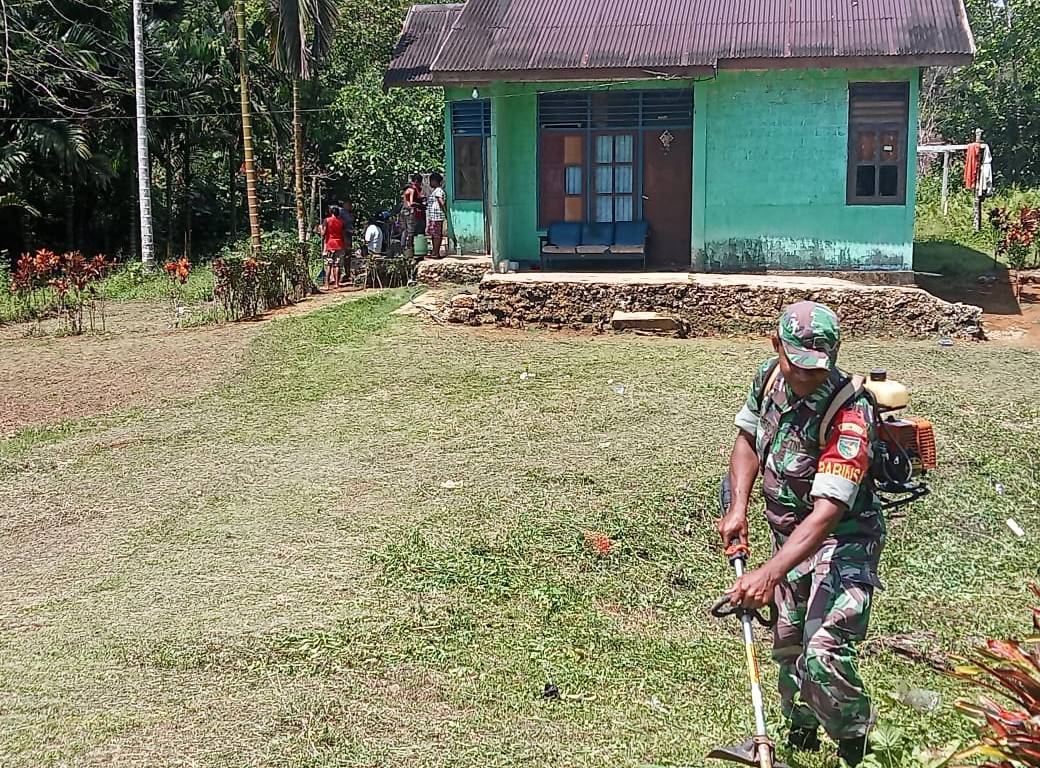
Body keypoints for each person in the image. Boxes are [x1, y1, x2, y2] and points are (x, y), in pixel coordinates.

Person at [719, 301, 883, 767]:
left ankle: (859, 745)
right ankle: (802, 731)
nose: (807, 376)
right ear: (777, 346)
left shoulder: (849, 412)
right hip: (787, 536)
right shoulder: (769, 376)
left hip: (842, 541)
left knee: (822, 650)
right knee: (789, 641)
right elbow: (747, 439)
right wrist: (738, 507)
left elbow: (827, 512)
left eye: (818, 368)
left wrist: (768, 573)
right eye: (799, 365)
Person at [319, 204, 345, 289]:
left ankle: (327, 284)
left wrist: (320, 228)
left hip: (329, 244)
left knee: (329, 264)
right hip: (339, 244)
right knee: (337, 264)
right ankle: (337, 283)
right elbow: (342, 233)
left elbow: (323, 233)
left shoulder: (327, 220)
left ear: (331, 212)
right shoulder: (341, 222)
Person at [425, 172, 448, 259]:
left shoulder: (438, 191)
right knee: (434, 235)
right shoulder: (436, 191)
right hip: (434, 217)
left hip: (437, 217)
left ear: (434, 181)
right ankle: (434, 252)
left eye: (431, 181)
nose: (430, 183)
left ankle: (435, 253)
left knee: (436, 235)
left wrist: (445, 212)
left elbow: (441, 202)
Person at [402, 173, 426, 244]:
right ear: (416, 181)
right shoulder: (412, 188)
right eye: (420, 183)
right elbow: (411, 203)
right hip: (411, 211)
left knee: (407, 230)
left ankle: (406, 246)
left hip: (407, 211)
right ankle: (409, 246)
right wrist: (421, 205)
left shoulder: (409, 188)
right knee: (411, 231)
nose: (420, 185)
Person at [338, 199, 355, 282]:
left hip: (349, 235)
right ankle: (339, 275)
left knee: (348, 255)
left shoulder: (349, 213)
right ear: (345, 204)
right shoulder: (341, 212)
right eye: (349, 204)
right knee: (343, 255)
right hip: (344, 236)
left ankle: (347, 274)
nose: (350, 206)